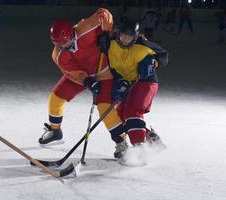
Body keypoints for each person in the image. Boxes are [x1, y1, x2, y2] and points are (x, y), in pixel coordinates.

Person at [39, 8, 129, 161]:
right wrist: (87, 81)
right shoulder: (58, 55)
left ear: (71, 34)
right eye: (58, 45)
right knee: (56, 97)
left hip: (105, 72)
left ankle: (122, 143)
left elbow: (104, 13)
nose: (61, 47)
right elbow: (72, 73)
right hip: (85, 75)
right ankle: (55, 131)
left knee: (104, 108)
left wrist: (106, 33)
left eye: (64, 44)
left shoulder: (86, 28)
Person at [98, 18, 168, 165]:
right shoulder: (109, 43)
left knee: (132, 111)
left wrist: (152, 63)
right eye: (123, 34)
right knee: (120, 114)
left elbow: (164, 56)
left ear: (135, 36)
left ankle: (140, 149)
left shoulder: (142, 44)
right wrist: (120, 80)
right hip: (130, 83)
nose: (125, 39)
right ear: (118, 32)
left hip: (146, 81)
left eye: (130, 36)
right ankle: (151, 139)